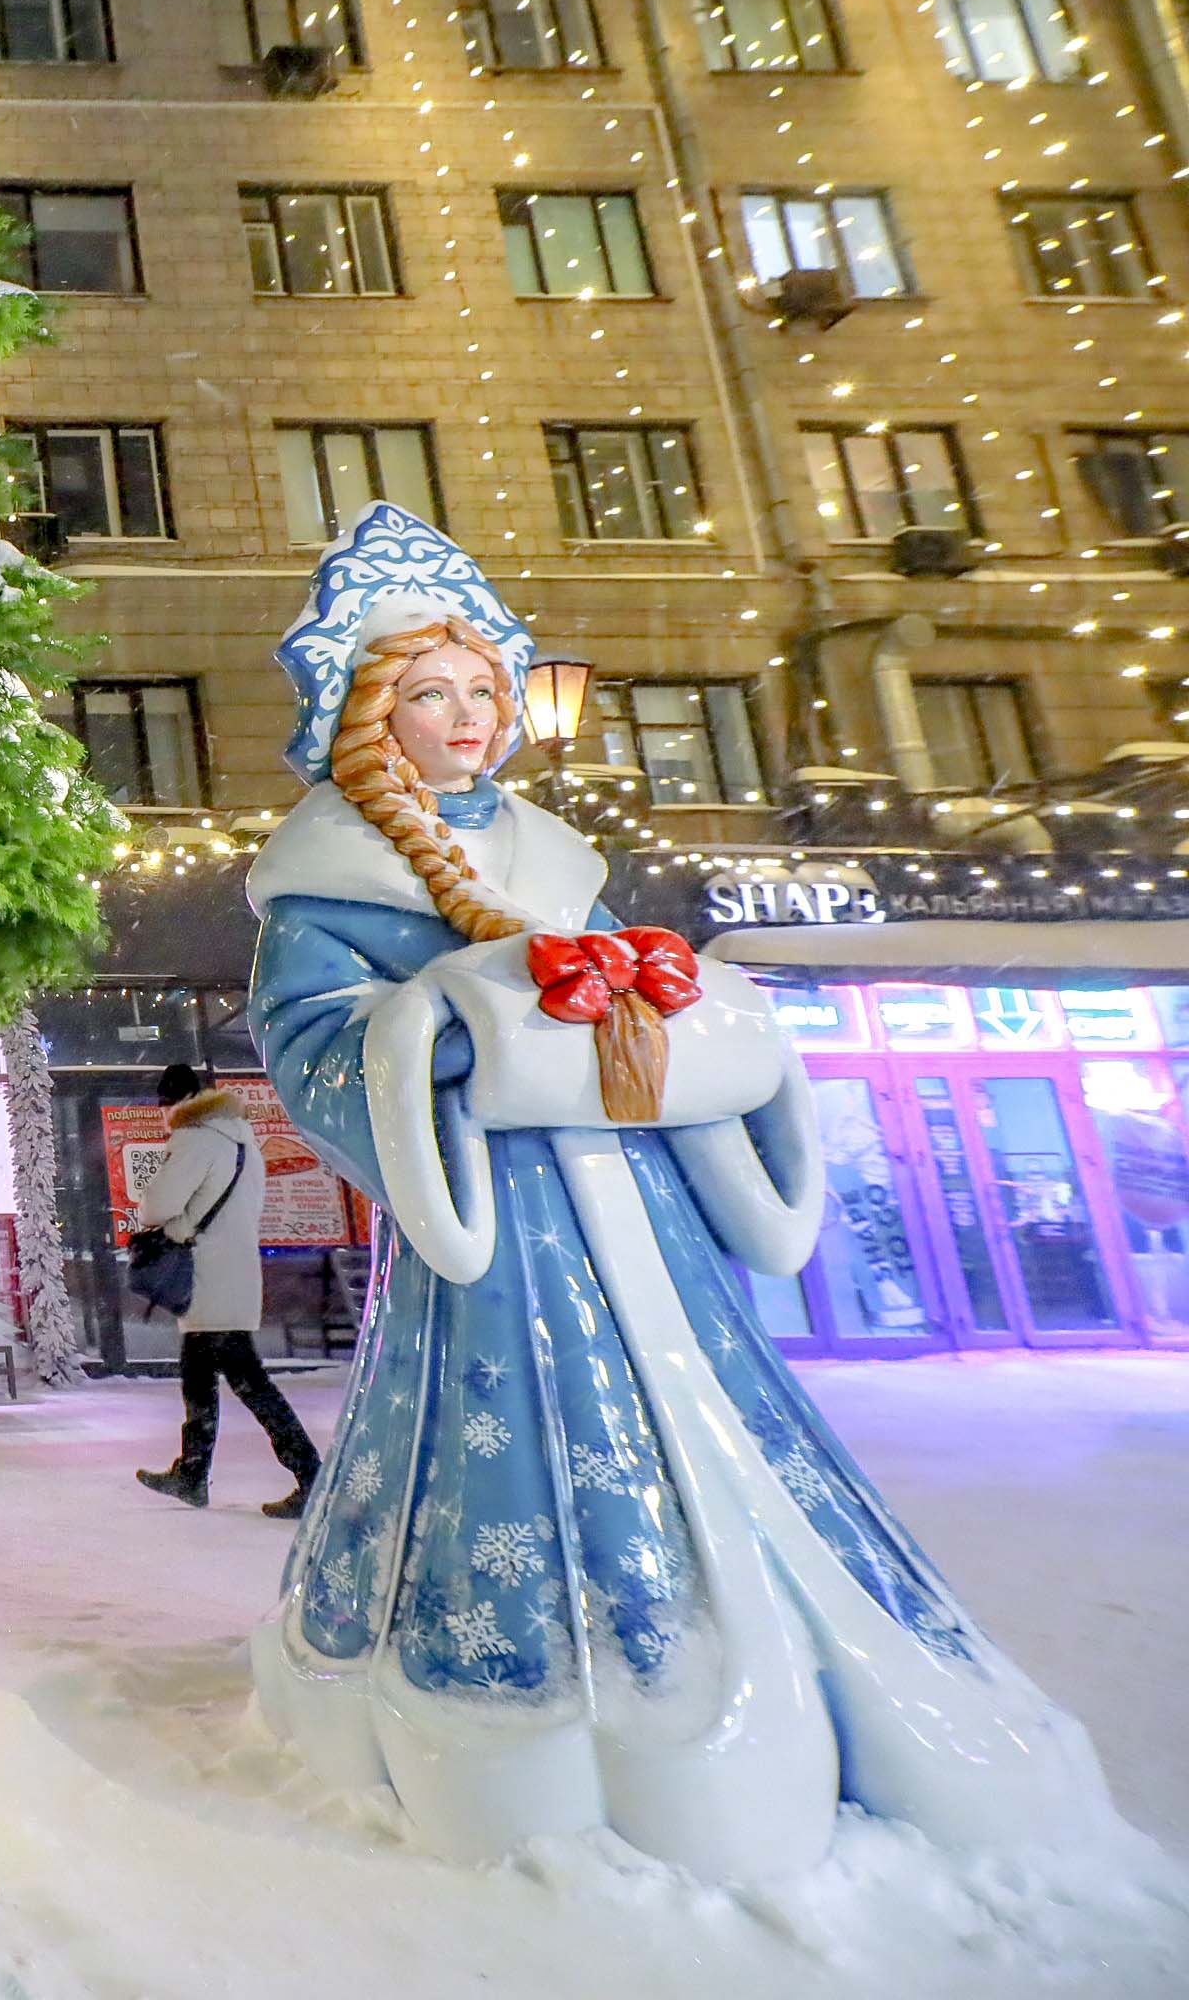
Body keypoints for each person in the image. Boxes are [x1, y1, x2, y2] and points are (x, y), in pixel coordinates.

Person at [241, 501, 1109, 1881]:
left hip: (640, 1199)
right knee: (519, 1408)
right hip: (504, 1222)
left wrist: (667, 1008)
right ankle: (537, 1683)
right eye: (431, 695)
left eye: (482, 690)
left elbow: (628, 997)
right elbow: (310, 1043)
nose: (468, 718)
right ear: (370, 715)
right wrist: (451, 1026)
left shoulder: (553, 857)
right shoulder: (324, 882)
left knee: (712, 1395)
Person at [133, 1061, 320, 1516]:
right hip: (232, 1275)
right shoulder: (243, 1142)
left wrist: (173, 1224)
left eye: (162, 1105)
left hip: (209, 1279)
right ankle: (192, 1473)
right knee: (198, 1377)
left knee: (249, 1382)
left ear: (174, 1103)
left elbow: (155, 1207)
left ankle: (311, 1474)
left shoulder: (195, 1139)